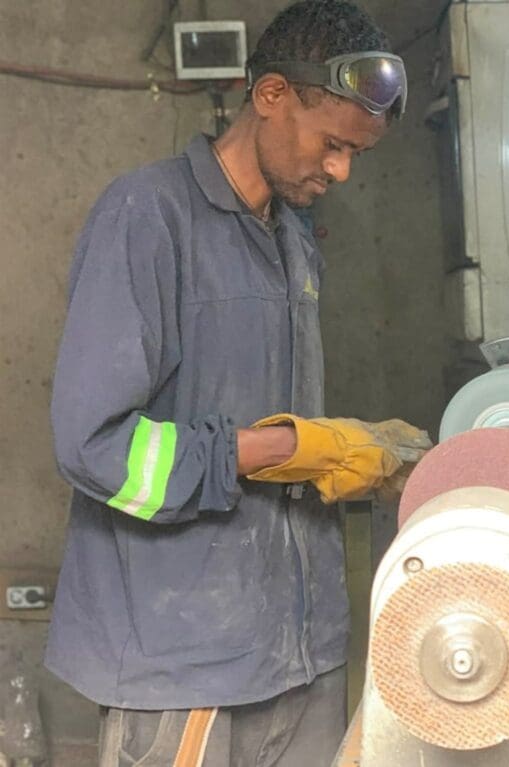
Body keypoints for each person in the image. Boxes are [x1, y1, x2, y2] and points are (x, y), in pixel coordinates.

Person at [45, 2, 429, 765]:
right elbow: (91, 445)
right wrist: (285, 448)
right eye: (333, 144)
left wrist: (348, 451)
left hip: (302, 654)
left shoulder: (294, 241)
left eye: (356, 153)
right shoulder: (149, 217)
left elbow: (282, 427)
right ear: (272, 95)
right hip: (182, 665)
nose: (341, 171)